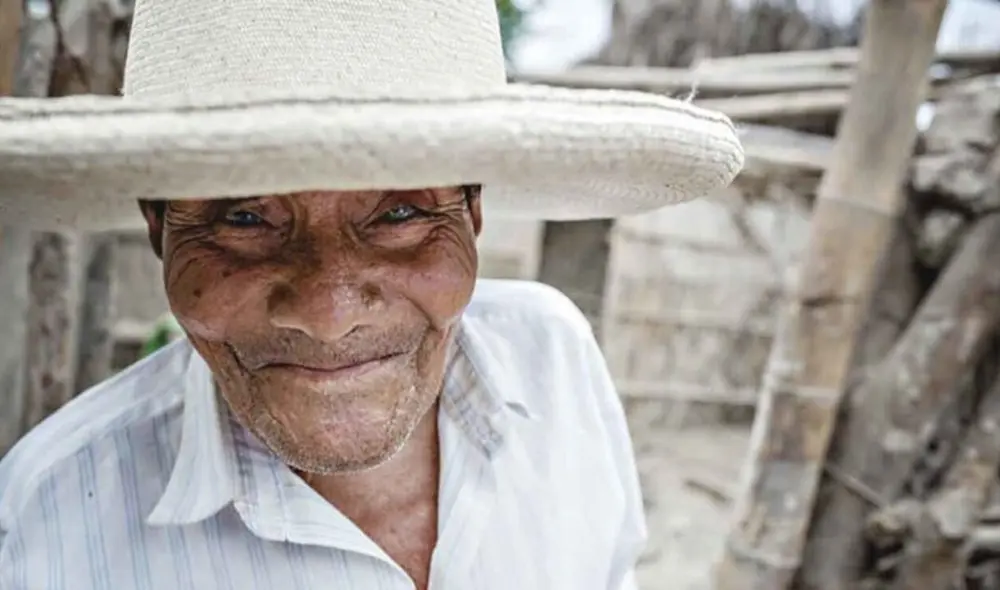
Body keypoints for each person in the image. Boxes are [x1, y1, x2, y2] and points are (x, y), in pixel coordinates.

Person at [0, 0, 743, 588]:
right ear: (158, 228)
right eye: (244, 218)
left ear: (474, 213)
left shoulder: (555, 356)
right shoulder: (44, 529)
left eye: (398, 213)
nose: (327, 316)